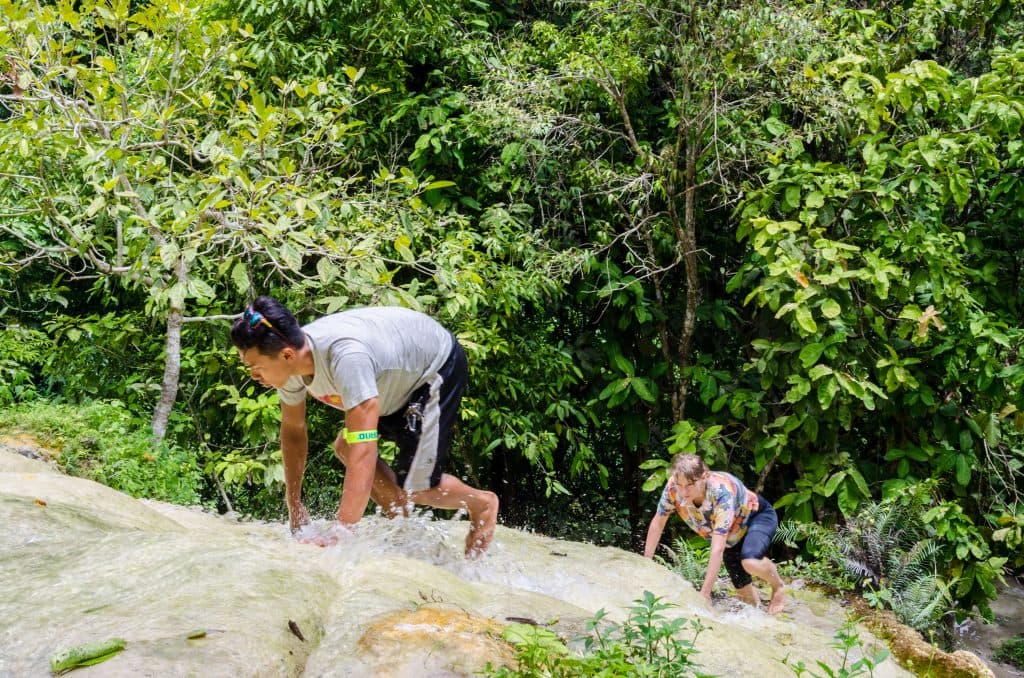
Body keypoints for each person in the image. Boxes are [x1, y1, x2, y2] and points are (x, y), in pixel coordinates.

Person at [229, 295, 499, 557]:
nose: (253, 376)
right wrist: (294, 505)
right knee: (345, 445)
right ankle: (407, 535)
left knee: (416, 486)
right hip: (389, 380)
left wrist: (341, 533)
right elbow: (293, 433)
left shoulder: (347, 358)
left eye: (255, 366)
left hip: (433, 368)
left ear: (287, 355)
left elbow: (364, 451)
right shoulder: (290, 367)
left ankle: (482, 503)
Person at [643, 453, 786, 613]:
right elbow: (658, 521)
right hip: (731, 537)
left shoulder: (721, 493)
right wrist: (646, 563)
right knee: (745, 597)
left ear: (704, 477)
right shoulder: (673, 487)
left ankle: (778, 586)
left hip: (756, 517)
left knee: (749, 561)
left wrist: (705, 593)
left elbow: (717, 548)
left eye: (690, 485)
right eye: (679, 484)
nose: (683, 491)